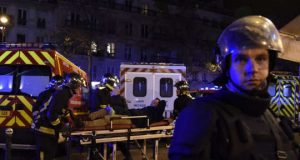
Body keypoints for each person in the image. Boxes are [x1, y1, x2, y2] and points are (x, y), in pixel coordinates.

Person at [169, 15, 299, 160]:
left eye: (261, 59)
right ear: (227, 66)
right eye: (242, 59)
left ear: (271, 63)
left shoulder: (275, 121)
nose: (253, 69)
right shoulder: (200, 116)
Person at [34, 72, 84, 160]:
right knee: (46, 156)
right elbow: (51, 114)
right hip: (44, 131)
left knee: (50, 155)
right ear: (73, 85)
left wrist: (73, 120)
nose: (80, 89)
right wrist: (61, 127)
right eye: (79, 86)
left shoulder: (64, 93)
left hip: (48, 131)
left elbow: (63, 111)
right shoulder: (63, 94)